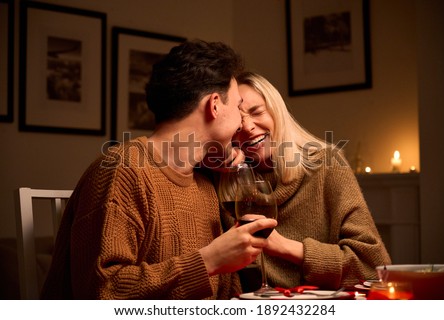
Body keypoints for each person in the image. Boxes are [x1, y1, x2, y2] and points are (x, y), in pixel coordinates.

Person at [40, 41, 277, 300]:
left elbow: (225, 293)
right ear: (215, 104)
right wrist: (207, 260)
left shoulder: (204, 185)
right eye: (238, 105)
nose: (242, 121)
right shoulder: (122, 172)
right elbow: (101, 291)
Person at [221, 71, 391, 291]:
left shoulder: (326, 165)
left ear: (277, 112)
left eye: (257, 112)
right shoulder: (227, 181)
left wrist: (284, 247)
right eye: (238, 121)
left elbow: (375, 268)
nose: (248, 127)